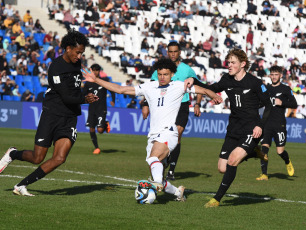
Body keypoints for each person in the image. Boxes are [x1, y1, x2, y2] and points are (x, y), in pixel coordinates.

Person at [82, 58, 222, 201]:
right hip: (153, 135)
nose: (162, 77)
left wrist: (214, 95)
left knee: (154, 159)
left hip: (169, 132)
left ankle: (154, 187)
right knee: (155, 168)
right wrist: (96, 80)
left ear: (172, 74)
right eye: (160, 74)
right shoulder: (149, 87)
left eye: (166, 74)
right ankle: (177, 193)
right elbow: (120, 89)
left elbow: (203, 89)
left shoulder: (179, 86)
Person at [0, 30, 98, 196]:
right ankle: (13, 153)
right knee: (37, 157)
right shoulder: (56, 67)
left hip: (70, 118)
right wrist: (84, 99)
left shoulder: (76, 65)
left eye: (82, 53)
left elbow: (72, 89)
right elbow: (66, 96)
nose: (80, 56)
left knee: (60, 158)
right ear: (68, 48)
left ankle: (21, 185)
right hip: (52, 115)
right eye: (78, 52)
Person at [185, 49, 273, 207]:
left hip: (252, 129)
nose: (229, 65)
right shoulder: (227, 79)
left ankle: (216, 199)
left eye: (233, 62)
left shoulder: (255, 83)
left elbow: (269, 105)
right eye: (228, 63)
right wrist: (194, 80)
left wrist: (260, 125)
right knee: (222, 168)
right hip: (233, 128)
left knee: (232, 161)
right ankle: (253, 152)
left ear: (243, 64)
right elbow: (210, 88)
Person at [142, 42, 203, 181]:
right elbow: (150, 87)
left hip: (182, 105)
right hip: (165, 108)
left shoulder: (187, 69)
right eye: (170, 51)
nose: (173, 54)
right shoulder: (161, 69)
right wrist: (145, 104)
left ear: (179, 52)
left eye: (175, 51)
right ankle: (163, 161)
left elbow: (198, 85)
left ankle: (171, 169)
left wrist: (198, 103)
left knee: (178, 133)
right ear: (167, 53)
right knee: (164, 137)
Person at [256, 66, 297, 181]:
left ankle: (287, 161)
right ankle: (264, 174)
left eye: (276, 74)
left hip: (279, 124)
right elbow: (260, 103)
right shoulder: (266, 89)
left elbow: (294, 104)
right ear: (270, 75)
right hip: (266, 123)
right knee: (264, 149)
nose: (274, 77)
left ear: (280, 76)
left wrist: (282, 102)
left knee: (280, 151)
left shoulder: (285, 89)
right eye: (272, 74)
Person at [83, 63, 115, 154]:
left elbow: (112, 90)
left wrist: (113, 100)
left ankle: (105, 124)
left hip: (101, 108)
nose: (95, 72)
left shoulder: (103, 80)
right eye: (94, 70)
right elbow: (83, 93)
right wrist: (87, 96)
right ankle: (96, 148)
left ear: (99, 71)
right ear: (91, 71)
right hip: (92, 108)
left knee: (100, 130)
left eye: (97, 70)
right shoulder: (88, 83)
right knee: (91, 128)